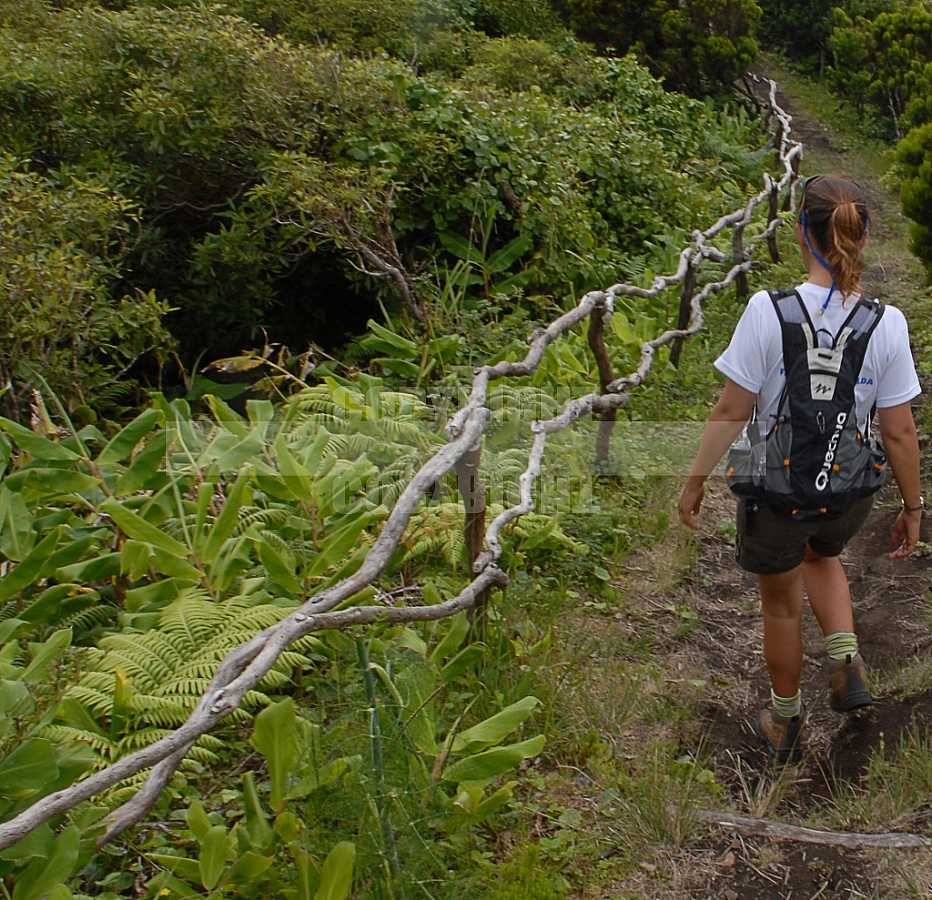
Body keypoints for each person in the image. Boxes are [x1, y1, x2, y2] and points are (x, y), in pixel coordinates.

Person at [678, 174, 922, 762]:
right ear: (862, 237)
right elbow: (899, 429)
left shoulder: (768, 310)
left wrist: (694, 479)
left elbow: (733, 408)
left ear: (799, 233)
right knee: (824, 553)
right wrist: (914, 507)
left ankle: (785, 721)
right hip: (847, 490)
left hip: (776, 489)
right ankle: (844, 657)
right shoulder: (886, 322)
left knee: (781, 602)